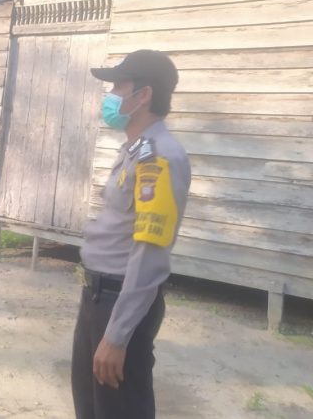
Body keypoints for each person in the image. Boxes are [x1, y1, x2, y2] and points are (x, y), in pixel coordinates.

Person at [71, 50, 191, 419]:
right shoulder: (136, 150)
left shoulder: (159, 158)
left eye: (118, 86)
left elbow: (150, 253)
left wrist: (117, 334)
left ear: (144, 95)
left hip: (119, 301)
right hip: (98, 296)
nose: (110, 95)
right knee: (91, 409)